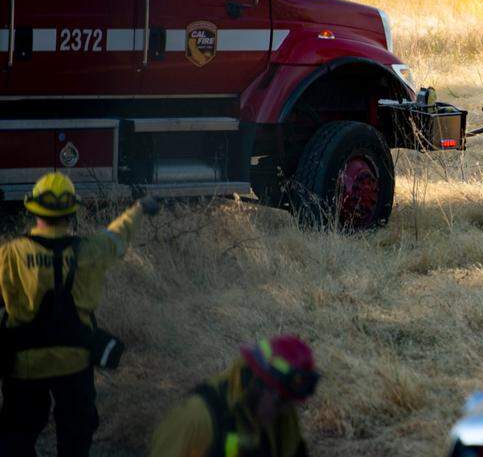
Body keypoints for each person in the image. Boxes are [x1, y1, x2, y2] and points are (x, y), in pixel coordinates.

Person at [0, 172, 159, 457]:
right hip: (74, 362)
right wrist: (139, 209)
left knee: (17, 435)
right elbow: (116, 235)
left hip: (23, 365)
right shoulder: (90, 250)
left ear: (32, 209)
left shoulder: (10, 254)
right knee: (76, 434)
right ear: (71, 212)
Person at [149, 335, 319, 457]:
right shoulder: (197, 418)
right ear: (258, 386)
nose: (285, 412)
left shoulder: (282, 416)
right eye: (280, 402)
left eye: (291, 404)